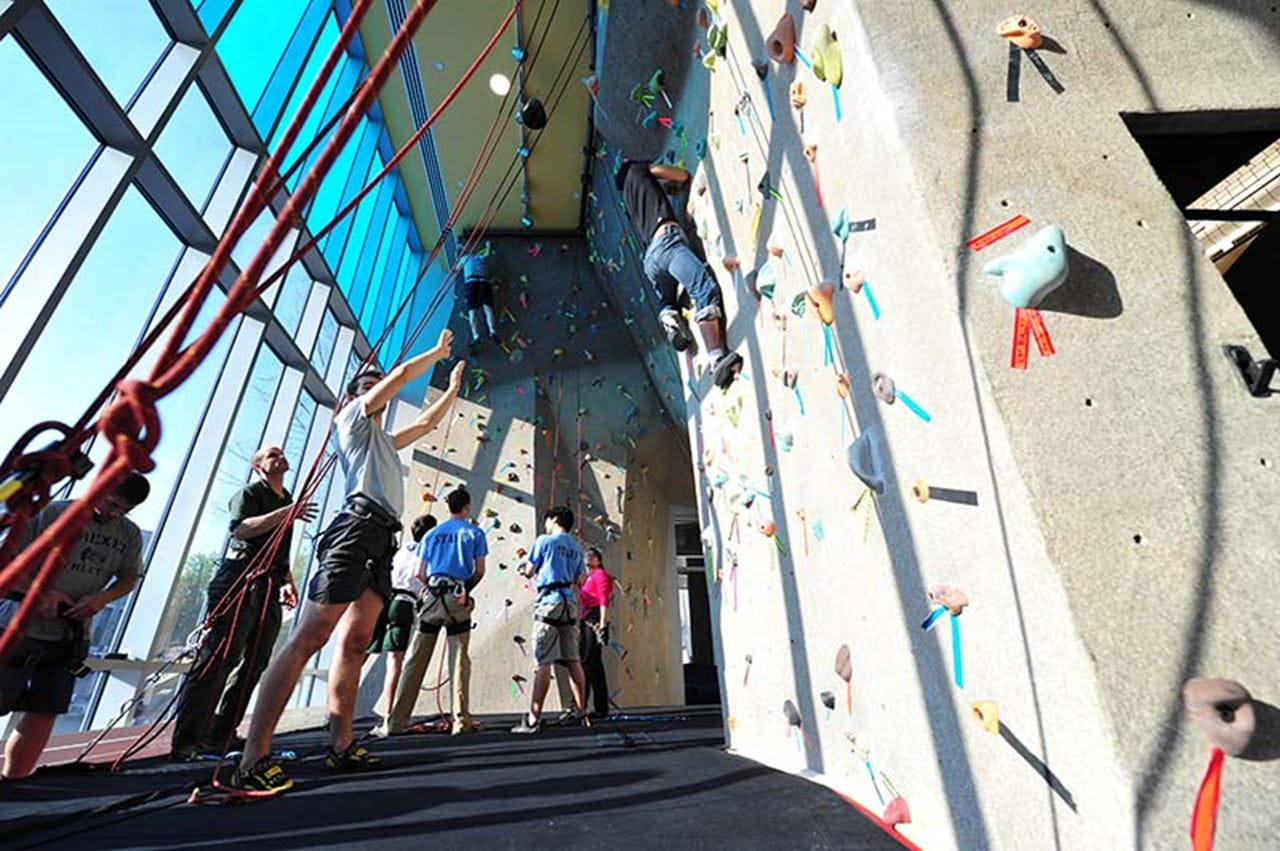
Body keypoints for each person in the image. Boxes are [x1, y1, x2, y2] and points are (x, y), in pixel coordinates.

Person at [232, 330, 464, 795]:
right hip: (354, 531)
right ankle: (253, 755)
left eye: (374, 383)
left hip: (381, 538)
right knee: (309, 637)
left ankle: (341, 745)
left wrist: (453, 391)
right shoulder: (352, 421)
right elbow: (398, 378)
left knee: (356, 642)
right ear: (354, 396)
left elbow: (423, 428)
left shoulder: (379, 436)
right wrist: (437, 354)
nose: (377, 386)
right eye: (368, 383)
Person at [0, 473, 150, 780]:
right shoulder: (54, 513)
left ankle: (14, 781)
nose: (112, 514)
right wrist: (42, 593)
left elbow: (129, 578)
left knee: (45, 709)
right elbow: (8, 560)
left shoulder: (128, 534)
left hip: (69, 633)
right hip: (19, 622)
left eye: (122, 510)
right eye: (111, 503)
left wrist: (102, 598)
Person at [171, 447, 316, 759]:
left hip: (268, 584)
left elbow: (278, 546)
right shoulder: (250, 494)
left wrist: (287, 580)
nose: (279, 456)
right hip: (239, 580)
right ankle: (187, 742)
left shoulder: (286, 499)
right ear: (259, 466)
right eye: (271, 454)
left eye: (280, 453)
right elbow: (240, 528)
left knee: (255, 662)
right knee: (219, 657)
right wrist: (286, 513)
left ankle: (220, 735)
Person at [615, 158, 742, 389]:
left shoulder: (628, 200)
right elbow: (681, 175)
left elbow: (653, 199)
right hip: (668, 243)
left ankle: (670, 317)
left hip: (651, 260)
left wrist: (663, 189)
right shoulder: (638, 170)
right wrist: (659, 173)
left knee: (667, 296)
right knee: (704, 289)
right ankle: (717, 359)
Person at [381, 487, 487, 737]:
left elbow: (419, 573)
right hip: (456, 596)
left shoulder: (432, 534)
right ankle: (460, 720)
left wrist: (431, 590)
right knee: (459, 658)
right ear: (467, 507)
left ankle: (396, 721)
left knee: (416, 660)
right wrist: (465, 591)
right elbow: (479, 570)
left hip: (431, 597)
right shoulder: (474, 533)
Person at [511, 507, 589, 734]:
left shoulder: (544, 541)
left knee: (543, 660)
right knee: (573, 659)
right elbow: (580, 579)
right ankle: (582, 712)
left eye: (547, 519)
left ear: (554, 519)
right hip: (569, 603)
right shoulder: (576, 547)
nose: (545, 524)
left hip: (549, 602)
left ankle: (534, 719)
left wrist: (524, 570)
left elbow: (529, 569)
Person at [367, 513, 436, 726]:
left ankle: (341, 710)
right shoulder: (428, 554)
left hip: (384, 599)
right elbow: (423, 578)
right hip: (404, 603)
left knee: (364, 651)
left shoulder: (402, 549)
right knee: (395, 660)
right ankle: (389, 714)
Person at [578, 547, 614, 719]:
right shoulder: (589, 577)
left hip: (593, 618)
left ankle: (582, 704)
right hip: (587, 617)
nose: (588, 558)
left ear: (598, 560)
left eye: (592, 556)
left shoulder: (599, 575)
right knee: (594, 664)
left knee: (587, 661)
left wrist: (603, 625)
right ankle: (598, 706)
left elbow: (603, 600)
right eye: (587, 556)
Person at [458, 242, 499, 350]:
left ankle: (482, 334)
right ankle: (488, 332)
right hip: (481, 282)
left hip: (475, 282)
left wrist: (488, 246)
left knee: (476, 310)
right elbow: (487, 254)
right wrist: (488, 246)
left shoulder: (469, 258)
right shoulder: (470, 258)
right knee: (483, 309)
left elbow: (456, 269)